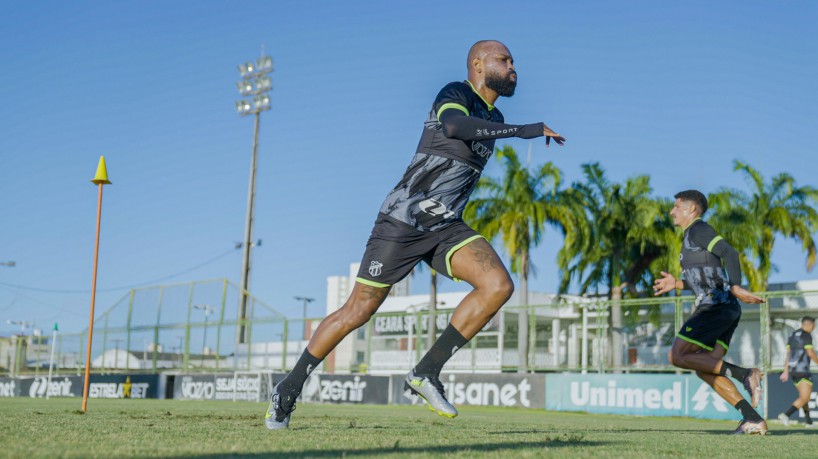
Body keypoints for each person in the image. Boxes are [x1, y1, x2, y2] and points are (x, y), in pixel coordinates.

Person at [265, 40, 566, 430]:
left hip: (446, 225)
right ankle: (287, 389)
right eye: (504, 60)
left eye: (513, 61)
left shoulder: (495, 115)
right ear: (478, 64)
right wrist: (525, 130)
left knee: (497, 286)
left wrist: (512, 127)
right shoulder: (455, 93)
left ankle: (426, 373)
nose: (513, 67)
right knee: (359, 310)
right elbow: (453, 126)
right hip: (404, 217)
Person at [653, 190, 767, 435]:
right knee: (706, 368)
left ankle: (746, 374)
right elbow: (706, 278)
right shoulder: (690, 237)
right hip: (725, 307)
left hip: (715, 305)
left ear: (691, 209)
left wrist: (736, 286)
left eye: (676, 206)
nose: (672, 211)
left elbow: (730, 252)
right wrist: (678, 284)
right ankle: (753, 418)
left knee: (677, 355)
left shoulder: (698, 229)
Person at [777, 316, 817, 427]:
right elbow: (810, 352)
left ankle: (809, 422)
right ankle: (786, 415)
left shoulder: (793, 335)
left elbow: (788, 354)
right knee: (805, 397)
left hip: (793, 371)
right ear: (809, 324)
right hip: (803, 370)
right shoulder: (806, 335)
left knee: (804, 397)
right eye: (814, 326)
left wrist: (786, 371)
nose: (814, 328)